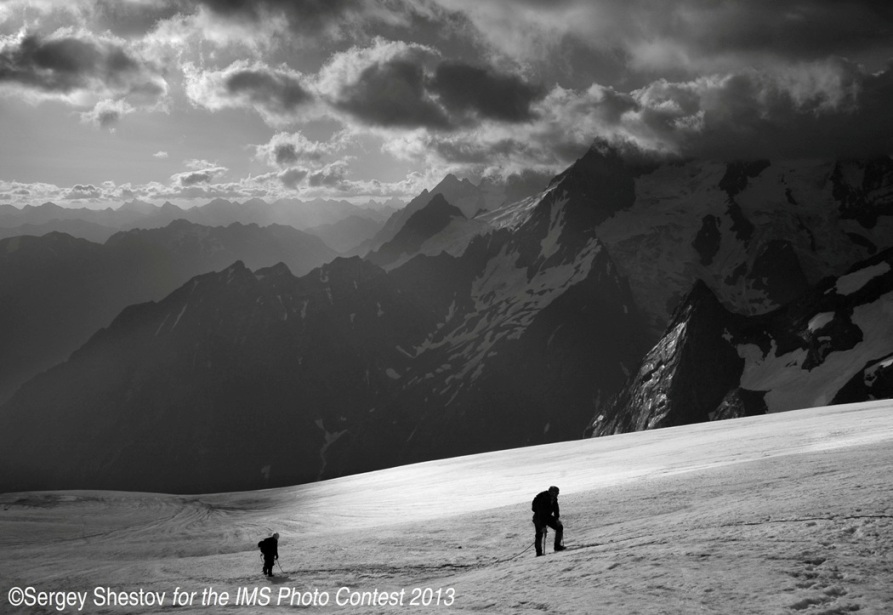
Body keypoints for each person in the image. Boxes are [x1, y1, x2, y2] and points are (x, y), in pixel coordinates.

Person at [532, 486, 565, 556]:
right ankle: (539, 552)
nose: (557, 494)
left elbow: (556, 509)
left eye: (557, 493)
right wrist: (543, 526)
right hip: (538, 517)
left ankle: (557, 546)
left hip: (547, 516)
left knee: (559, 527)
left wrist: (556, 519)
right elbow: (540, 513)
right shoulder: (543, 499)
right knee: (539, 534)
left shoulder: (554, 499)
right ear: (551, 492)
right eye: (556, 493)